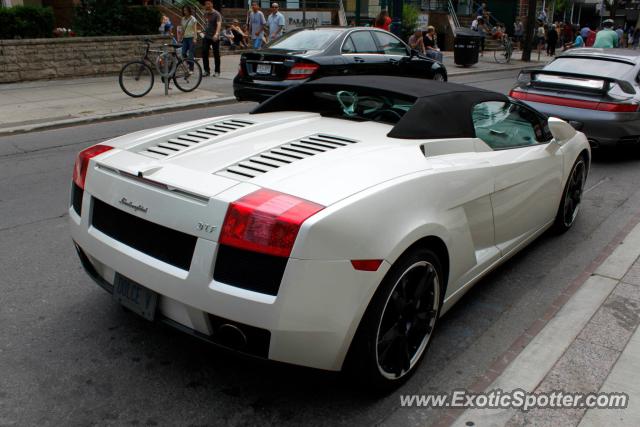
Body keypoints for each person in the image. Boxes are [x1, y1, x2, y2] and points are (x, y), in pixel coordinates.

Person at [201, 0, 222, 77]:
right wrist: (202, 32)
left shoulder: (217, 14)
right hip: (206, 36)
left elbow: (219, 24)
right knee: (204, 52)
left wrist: (216, 34)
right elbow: (205, 23)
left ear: (212, 4)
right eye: (206, 4)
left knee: (216, 54)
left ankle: (217, 71)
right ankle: (206, 70)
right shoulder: (205, 13)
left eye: (208, 4)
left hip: (215, 37)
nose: (207, 5)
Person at [180, 5, 198, 72]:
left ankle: (191, 68)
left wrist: (195, 38)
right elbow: (182, 29)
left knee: (190, 54)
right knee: (183, 53)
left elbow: (195, 29)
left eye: (186, 10)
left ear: (189, 11)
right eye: (184, 10)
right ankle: (189, 63)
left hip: (191, 38)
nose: (185, 12)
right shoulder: (183, 19)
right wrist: (180, 38)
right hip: (185, 38)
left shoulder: (193, 19)